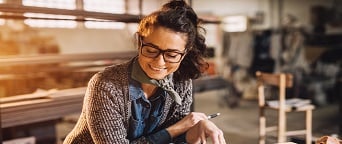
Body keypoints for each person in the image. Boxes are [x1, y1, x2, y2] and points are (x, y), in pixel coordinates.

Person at [63, 0, 226, 144]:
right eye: (151, 49)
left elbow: (177, 138)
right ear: (140, 41)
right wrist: (176, 129)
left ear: (185, 53)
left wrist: (195, 129)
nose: (159, 62)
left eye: (171, 54)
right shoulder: (106, 85)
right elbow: (174, 131)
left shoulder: (181, 82)